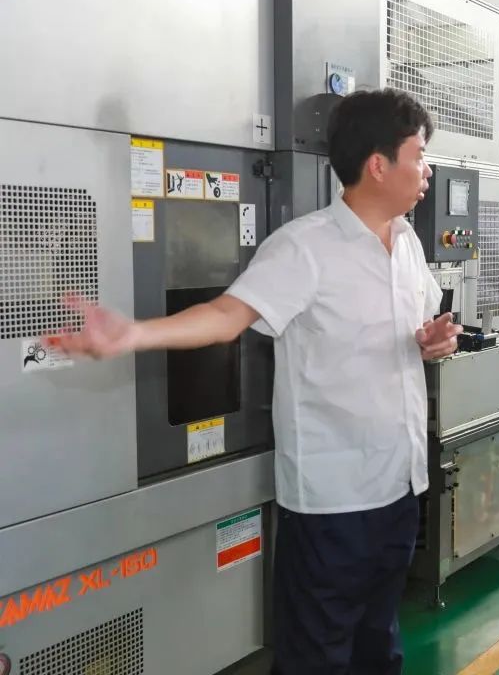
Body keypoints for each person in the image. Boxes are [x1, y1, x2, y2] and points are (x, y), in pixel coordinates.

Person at [52, 89, 462, 675]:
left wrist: (434, 342)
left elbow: (418, 331)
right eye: (419, 156)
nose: (428, 171)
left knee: (378, 646)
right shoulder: (305, 248)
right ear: (378, 164)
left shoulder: (408, 244)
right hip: (332, 501)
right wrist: (132, 334)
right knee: (316, 657)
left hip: (400, 486)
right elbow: (227, 316)